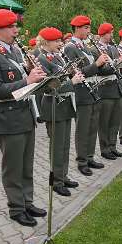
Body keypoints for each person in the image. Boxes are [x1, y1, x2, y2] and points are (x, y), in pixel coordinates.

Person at [0, 8, 47, 227]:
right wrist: (26, 81)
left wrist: (29, 72)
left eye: (15, 26)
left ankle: (27, 202)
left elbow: (19, 80)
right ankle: (16, 208)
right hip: (9, 118)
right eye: (12, 26)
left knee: (26, 165)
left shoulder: (15, 50)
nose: (16, 30)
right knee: (13, 167)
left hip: (25, 115)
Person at [36, 27, 84, 196]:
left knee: (64, 145)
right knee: (57, 147)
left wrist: (71, 71)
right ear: (47, 42)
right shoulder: (41, 59)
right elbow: (48, 86)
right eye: (57, 41)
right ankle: (56, 181)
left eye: (60, 41)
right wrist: (72, 81)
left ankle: (63, 176)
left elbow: (61, 76)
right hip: (53, 106)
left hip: (64, 105)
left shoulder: (57, 56)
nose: (60, 43)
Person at [64, 15, 107, 176]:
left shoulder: (85, 47)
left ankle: (89, 157)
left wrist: (102, 63)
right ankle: (81, 161)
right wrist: (96, 64)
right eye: (86, 28)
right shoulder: (70, 47)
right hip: (82, 92)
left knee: (92, 126)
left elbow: (94, 69)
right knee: (83, 128)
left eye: (89, 28)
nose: (89, 31)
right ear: (77, 29)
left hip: (93, 90)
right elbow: (75, 73)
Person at [92, 23, 122, 160]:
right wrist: (117, 63)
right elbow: (101, 70)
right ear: (103, 34)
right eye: (110, 33)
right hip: (105, 89)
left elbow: (117, 67)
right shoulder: (95, 49)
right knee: (105, 122)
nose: (112, 35)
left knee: (115, 121)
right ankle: (105, 149)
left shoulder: (113, 48)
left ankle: (113, 146)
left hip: (116, 88)